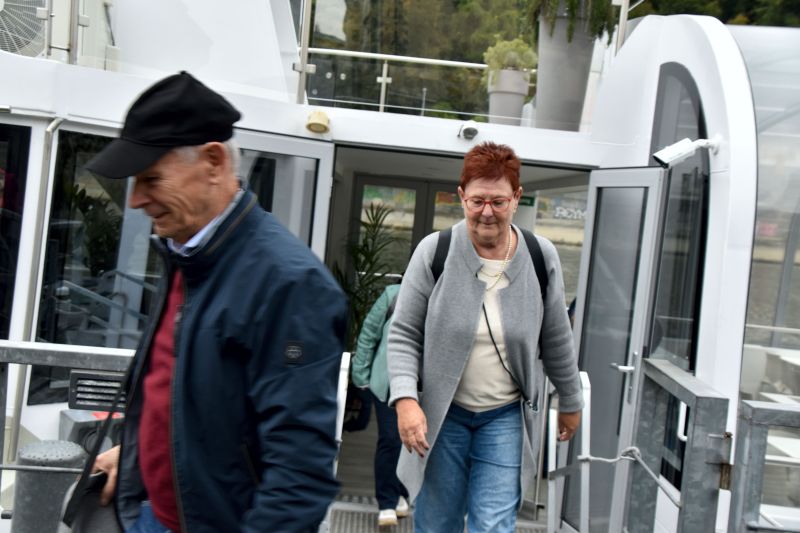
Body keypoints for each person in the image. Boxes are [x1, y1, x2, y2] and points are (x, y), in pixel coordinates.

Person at [78, 72, 348, 532]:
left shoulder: (290, 285)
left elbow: (298, 477)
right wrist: (139, 455)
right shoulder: (187, 255)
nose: (137, 199)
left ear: (214, 162)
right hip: (154, 514)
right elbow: (195, 399)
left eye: (151, 178)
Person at [387, 141, 584, 533]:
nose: (487, 212)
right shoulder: (435, 252)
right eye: (477, 201)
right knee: (437, 523)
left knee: (493, 525)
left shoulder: (540, 255)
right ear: (461, 197)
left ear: (516, 198)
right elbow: (404, 334)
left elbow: (556, 337)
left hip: (505, 416)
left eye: (498, 201)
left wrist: (571, 399)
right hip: (443, 416)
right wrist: (406, 400)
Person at [351, 281, 409, 527]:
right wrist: (360, 376)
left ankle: (401, 493)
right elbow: (368, 334)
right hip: (387, 382)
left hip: (423, 386)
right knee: (391, 439)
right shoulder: (393, 295)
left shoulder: (445, 296)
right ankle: (387, 502)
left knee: (412, 443)